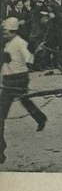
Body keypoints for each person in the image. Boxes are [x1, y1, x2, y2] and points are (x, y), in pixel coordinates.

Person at [0, 17, 47, 164]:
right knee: (25, 100)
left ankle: (0, 150)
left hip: (19, 78)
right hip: (8, 79)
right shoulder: (5, 42)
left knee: (1, 114)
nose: (4, 34)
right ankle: (40, 117)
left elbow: (30, 59)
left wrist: (36, 51)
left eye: (7, 32)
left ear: (14, 32)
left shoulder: (20, 43)